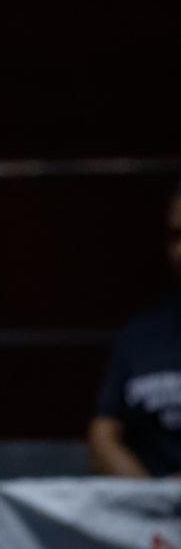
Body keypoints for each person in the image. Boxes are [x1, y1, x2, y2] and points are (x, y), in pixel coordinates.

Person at [87, 181, 181, 477]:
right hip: (148, 512)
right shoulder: (140, 334)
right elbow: (103, 435)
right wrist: (154, 500)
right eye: (177, 236)